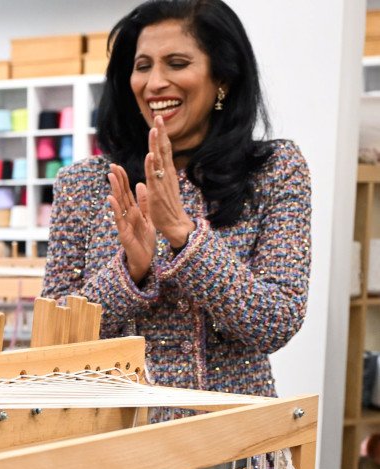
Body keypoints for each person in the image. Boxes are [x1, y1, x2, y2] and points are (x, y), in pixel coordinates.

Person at [42, 0, 310, 398]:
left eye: (178, 63)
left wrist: (185, 237)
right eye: (143, 65)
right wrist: (130, 271)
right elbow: (53, 337)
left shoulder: (274, 170)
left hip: (230, 439)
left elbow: (276, 321)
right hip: (113, 439)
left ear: (223, 78)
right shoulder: (84, 183)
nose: (155, 83)